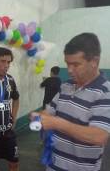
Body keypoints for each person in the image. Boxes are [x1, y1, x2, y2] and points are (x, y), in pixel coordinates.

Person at [30, 33, 110, 171]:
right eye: (67, 64)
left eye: (76, 64)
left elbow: (99, 136)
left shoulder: (105, 92)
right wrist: (39, 117)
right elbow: (49, 111)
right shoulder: (66, 86)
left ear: (94, 62)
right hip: (53, 165)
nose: (69, 70)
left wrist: (57, 123)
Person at [0, 47, 20, 171]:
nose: (6, 65)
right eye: (3, 61)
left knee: (14, 163)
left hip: (8, 132)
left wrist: (14, 117)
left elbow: (16, 99)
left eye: (9, 62)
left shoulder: (10, 80)